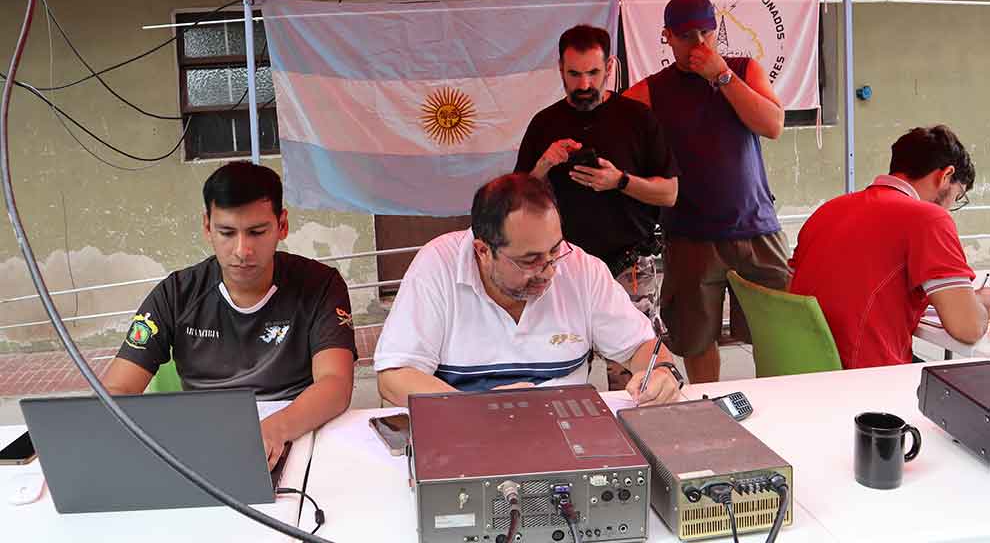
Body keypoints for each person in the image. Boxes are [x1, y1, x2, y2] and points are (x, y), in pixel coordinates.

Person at [102, 161, 357, 468]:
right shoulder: (176, 294)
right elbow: (119, 388)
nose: (242, 250)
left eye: (257, 232)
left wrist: (275, 429)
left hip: (296, 432)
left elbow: (335, 385)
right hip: (203, 439)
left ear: (282, 225)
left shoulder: (320, 285)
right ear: (207, 226)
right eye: (226, 232)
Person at [374, 173, 683, 407]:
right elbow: (394, 376)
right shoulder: (437, 265)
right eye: (530, 260)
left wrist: (661, 374)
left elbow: (642, 348)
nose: (549, 270)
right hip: (462, 428)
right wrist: (477, 409)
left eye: (554, 251)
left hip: (565, 430)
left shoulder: (580, 268)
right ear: (483, 251)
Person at [624, 0, 789, 384]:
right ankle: (709, 415)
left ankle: (779, 413)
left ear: (717, 31)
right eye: (686, 36)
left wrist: (722, 77)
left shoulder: (744, 69)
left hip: (757, 228)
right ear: (667, 37)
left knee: (778, 335)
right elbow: (619, 135)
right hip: (689, 237)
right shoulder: (650, 91)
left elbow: (773, 125)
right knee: (697, 341)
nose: (698, 44)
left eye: (705, 33)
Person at [515, 24, 679, 390]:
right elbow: (516, 205)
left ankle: (635, 444)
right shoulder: (544, 124)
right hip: (561, 269)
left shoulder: (638, 119)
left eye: (593, 72)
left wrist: (619, 181)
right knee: (559, 378)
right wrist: (543, 165)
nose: (585, 84)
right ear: (560, 69)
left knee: (635, 380)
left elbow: (669, 193)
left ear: (610, 67)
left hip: (629, 265)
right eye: (574, 74)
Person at [789, 125, 990, 368]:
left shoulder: (829, 209)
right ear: (945, 175)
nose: (949, 209)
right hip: (868, 375)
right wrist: (980, 302)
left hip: (807, 364)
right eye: (956, 198)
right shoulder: (928, 219)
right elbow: (967, 328)